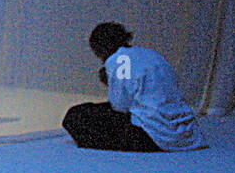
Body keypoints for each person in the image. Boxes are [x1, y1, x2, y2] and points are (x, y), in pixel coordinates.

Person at [62, 22, 207, 152]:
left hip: (153, 132)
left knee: (76, 116)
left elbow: (120, 106)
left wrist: (109, 82)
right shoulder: (150, 54)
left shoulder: (117, 60)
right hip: (182, 128)